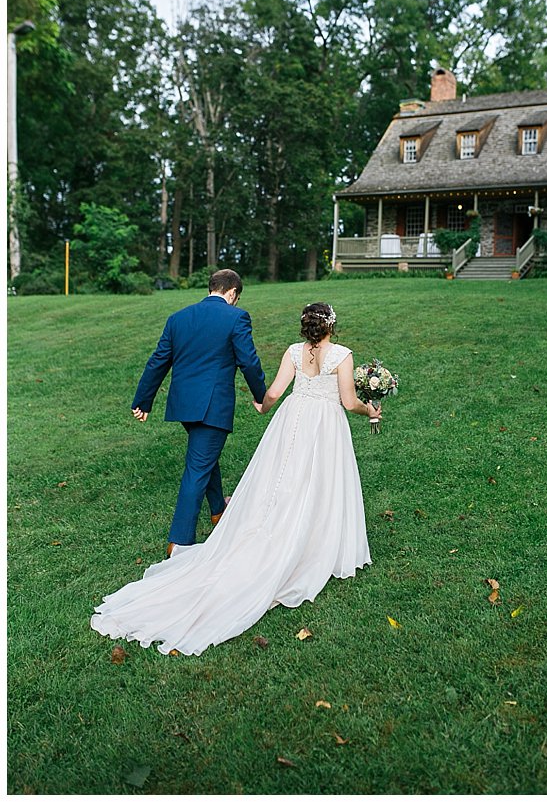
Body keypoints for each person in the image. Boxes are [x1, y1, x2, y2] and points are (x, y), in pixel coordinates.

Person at [96, 302, 378, 655]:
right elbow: (349, 401)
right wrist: (371, 409)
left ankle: (277, 525)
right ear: (332, 326)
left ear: (305, 326)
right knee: (319, 480)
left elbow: (273, 392)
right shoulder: (342, 354)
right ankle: (315, 536)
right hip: (325, 424)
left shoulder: (293, 351)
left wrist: (263, 406)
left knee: (283, 476)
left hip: (292, 418)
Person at [130, 269, 268, 557]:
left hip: (184, 405)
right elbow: (249, 362)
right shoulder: (236, 317)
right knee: (197, 468)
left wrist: (143, 400)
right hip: (212, 406)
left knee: (203, 458)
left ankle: (218, 512)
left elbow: (158, 362)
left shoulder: (178, 318)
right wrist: (260, 396)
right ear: (232, 293)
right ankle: (178, 543)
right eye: (237, 297)